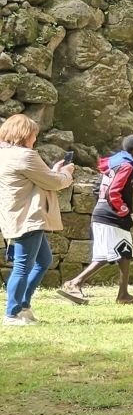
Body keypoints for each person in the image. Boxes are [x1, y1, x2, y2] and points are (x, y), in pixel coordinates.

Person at [0, 115, 74, 325]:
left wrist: (54, 172)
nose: (35, 139)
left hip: (17, 215)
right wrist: (66, 173)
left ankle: (23, 306)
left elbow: (38, 178)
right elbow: (54, 183)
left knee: (43, 261)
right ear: (24, 135)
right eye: (33, 135)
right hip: (28, 217)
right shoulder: (25, 156)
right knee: (23, 266)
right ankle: (12, 313)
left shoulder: (6, 154)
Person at [59, 135, 133, 306]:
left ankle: (123, 295)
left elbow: (97, 188)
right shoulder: (127, 165)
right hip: (112, 215)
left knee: (124, 253)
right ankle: (75, 283)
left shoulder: (114, 162)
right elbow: (113, 192)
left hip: (102, 212)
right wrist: (123, 210)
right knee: (107, 255)